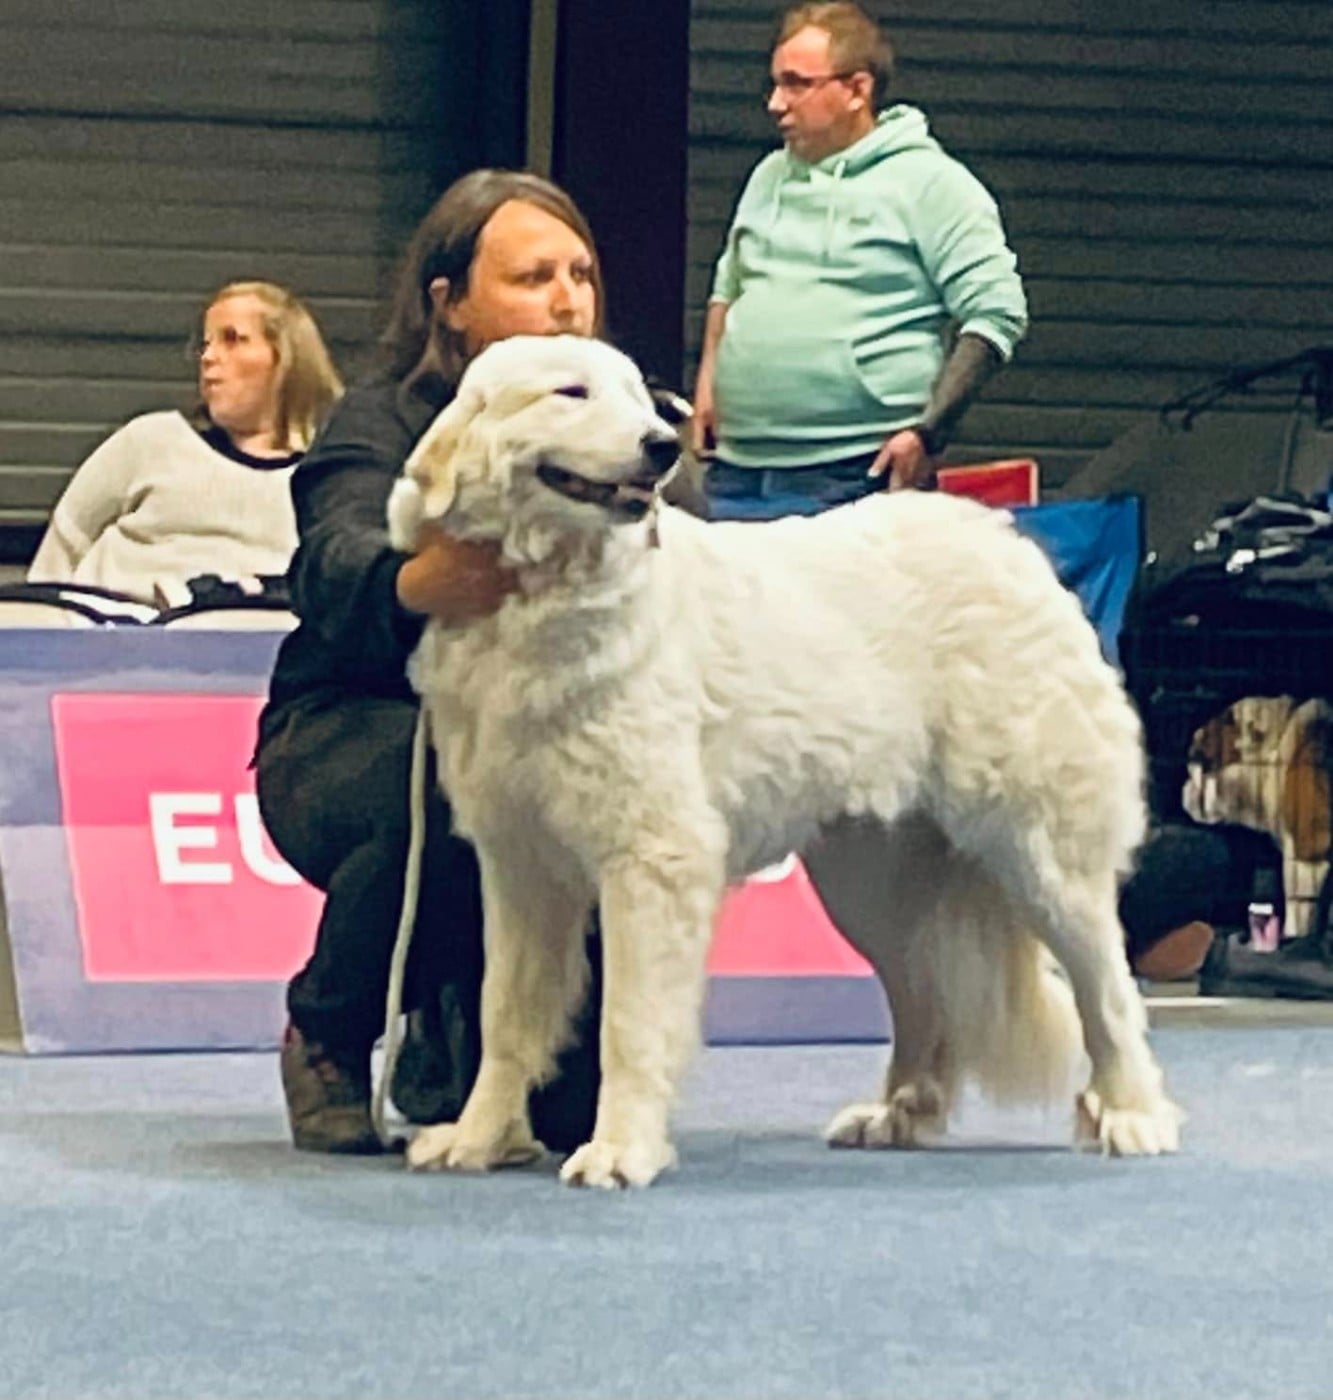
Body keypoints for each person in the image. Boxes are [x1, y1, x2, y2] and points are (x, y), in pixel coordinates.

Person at [253, 170, 611, 1156]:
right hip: (351, 733)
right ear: (449, 306)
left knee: (568, 1111)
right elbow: (330, 558)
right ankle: (329, 1027)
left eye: (580, 271)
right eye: (534, 275)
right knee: (467, 780)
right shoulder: (378, 421)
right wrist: (417, 582)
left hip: (557, 730)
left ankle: (455, 1013)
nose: (568, 297)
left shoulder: (623, 426)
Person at [693, 1, 1028, 519]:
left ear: (857, 90)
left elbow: (997, 313)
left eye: (797, 84)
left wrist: (927, 432)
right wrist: (709, 384)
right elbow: (729, 282)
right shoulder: (768, 175)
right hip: (738, 468)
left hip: (854, 472)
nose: (775, 104)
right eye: (774, 84)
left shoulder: (932, 184)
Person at [28, 281, 343, 607]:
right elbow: (62, 549)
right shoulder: (150, 441)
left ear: (287, 359)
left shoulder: (325, 479)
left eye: (233, 339)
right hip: (114, 639)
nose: (208, 357)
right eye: (205, 345)